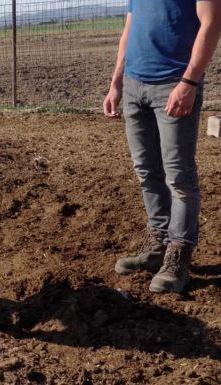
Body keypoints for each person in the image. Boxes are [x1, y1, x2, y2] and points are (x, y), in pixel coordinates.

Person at [103, 1, 221, 292]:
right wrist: (116, 82)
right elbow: (129, 29)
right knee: (146, 171)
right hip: (134, 84)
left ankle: (179, 255)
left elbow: (212, 23)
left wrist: (190, 82)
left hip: (174, 83)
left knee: (179, 175)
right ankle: (158, 245)